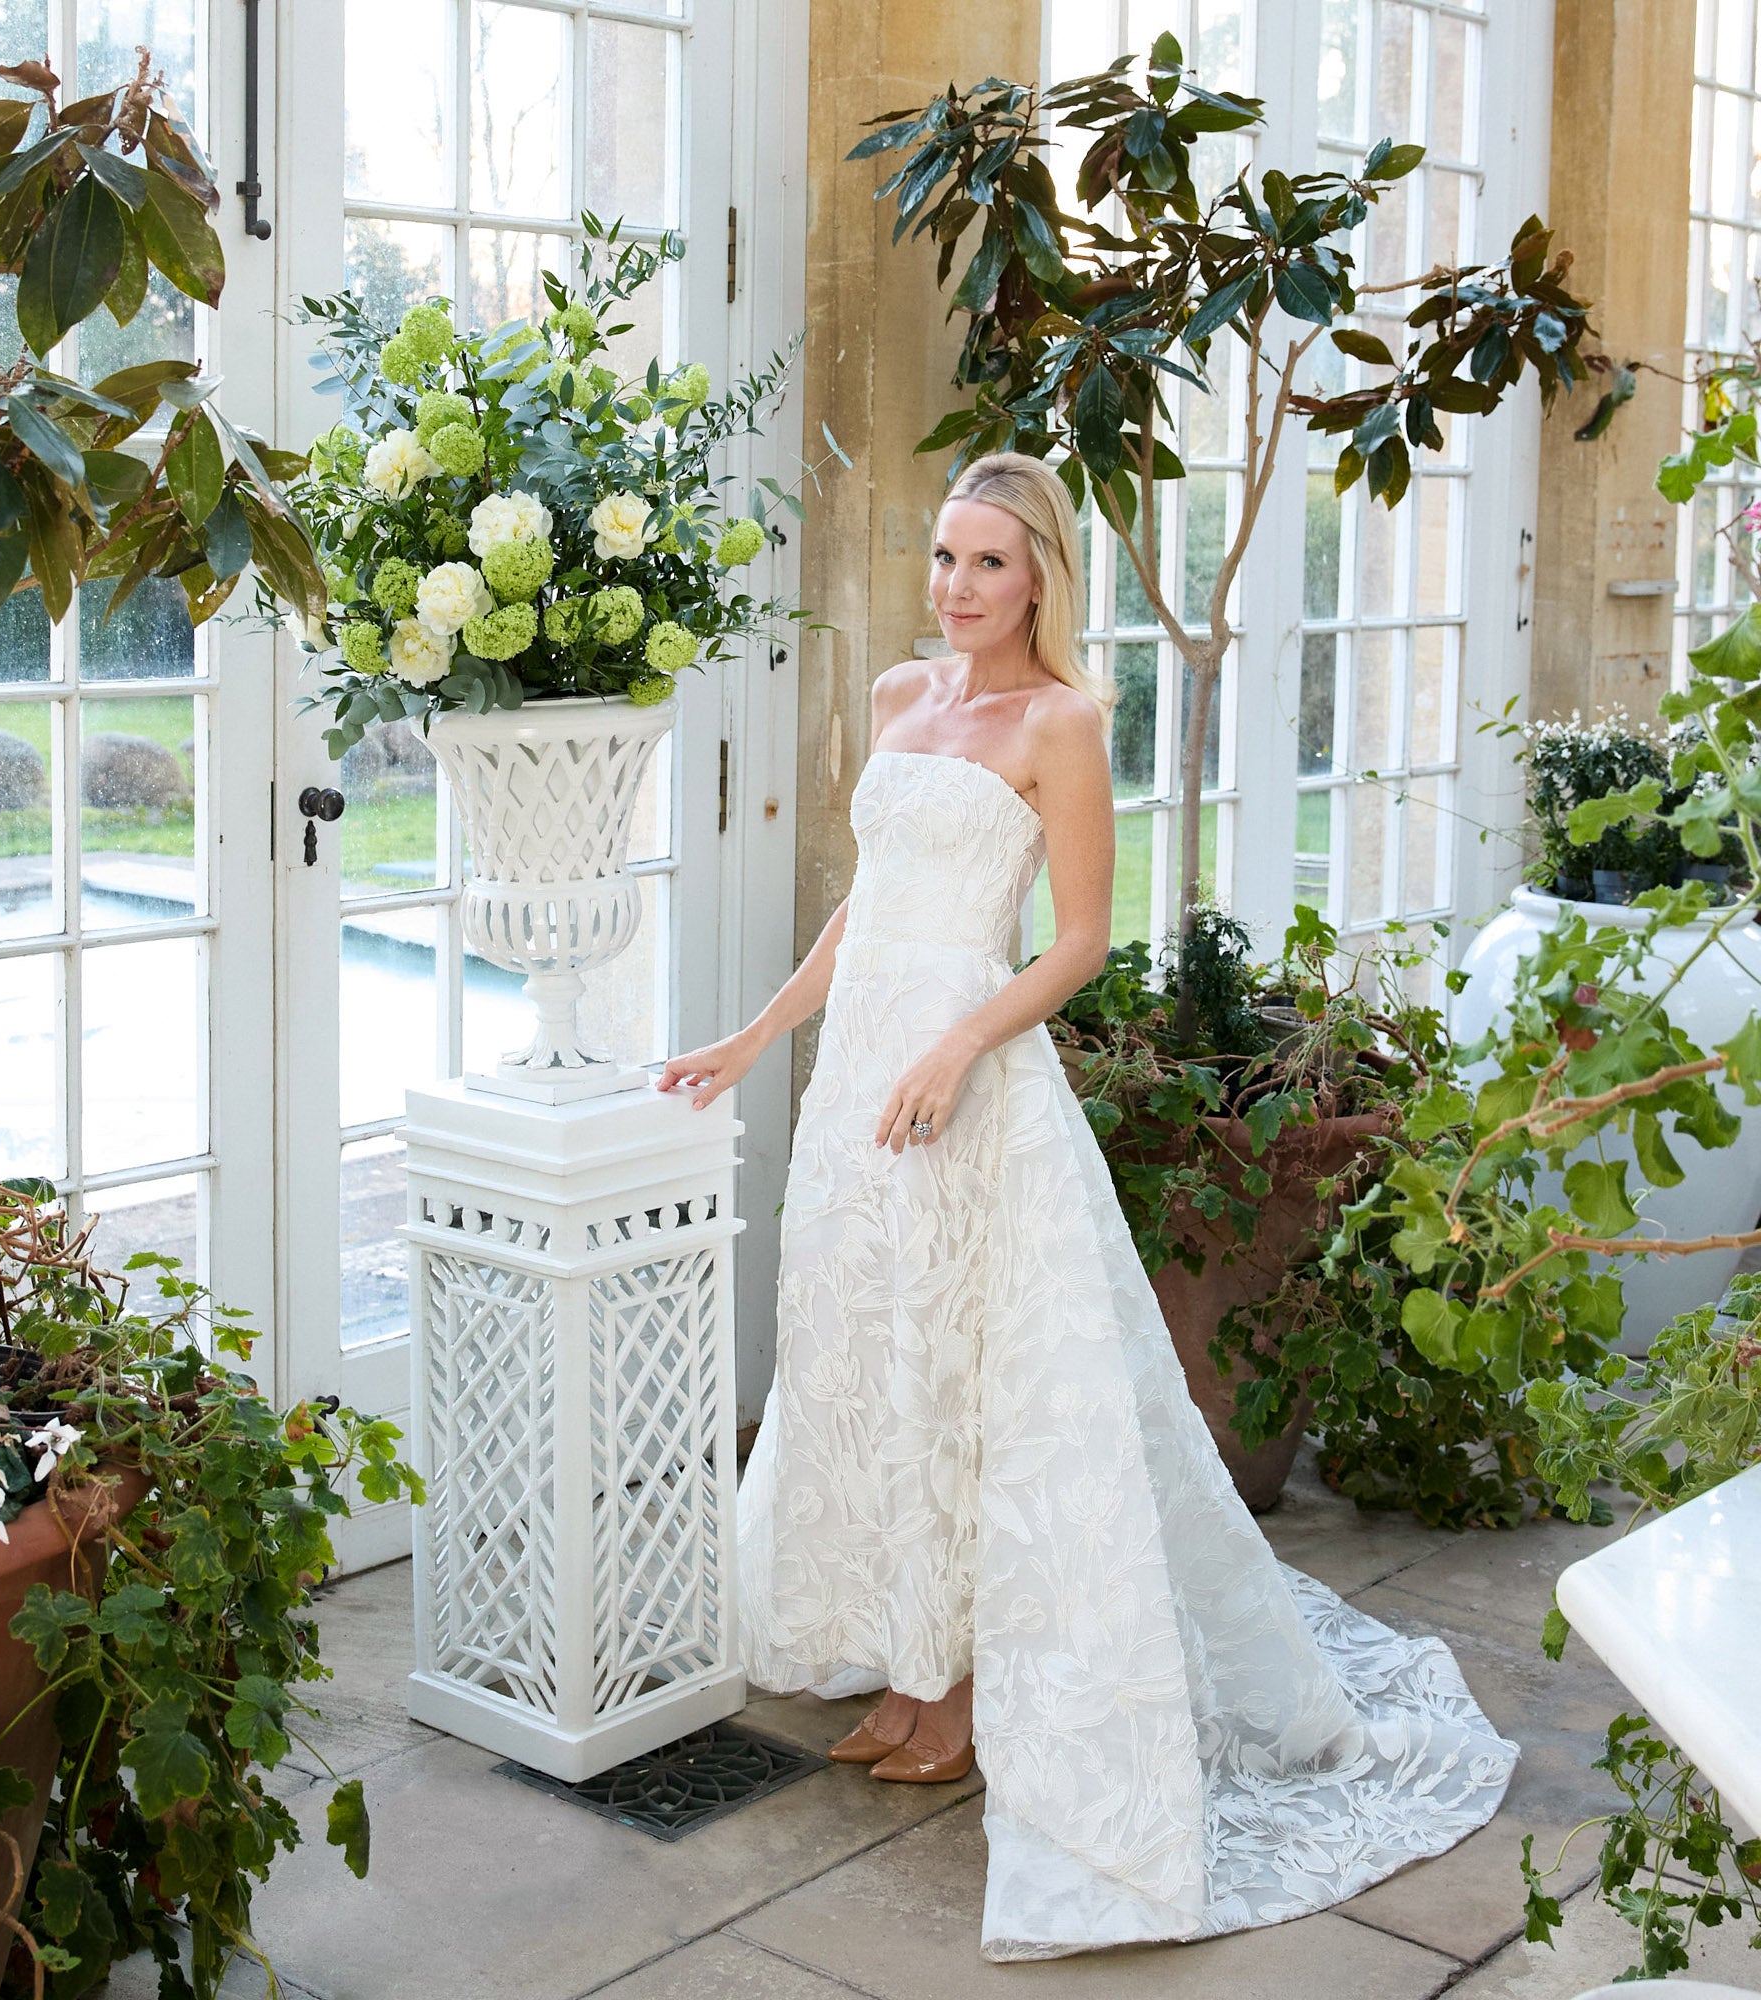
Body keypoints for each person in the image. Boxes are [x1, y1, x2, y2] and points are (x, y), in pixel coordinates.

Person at [656, 452, 1516, 1961]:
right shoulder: (903, 699)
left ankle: (977, 1694)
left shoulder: (1063, 722)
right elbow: (867, 909)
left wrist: (956, 1043)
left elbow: (1076, 945)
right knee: (877, 1360)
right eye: (943, 557)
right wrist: (753, 1037)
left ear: (1041, 575)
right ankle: (916, 1672)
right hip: (864, 1075)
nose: (956, 586)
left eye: (989, 562)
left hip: (966, 1085)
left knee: (980, 1381)